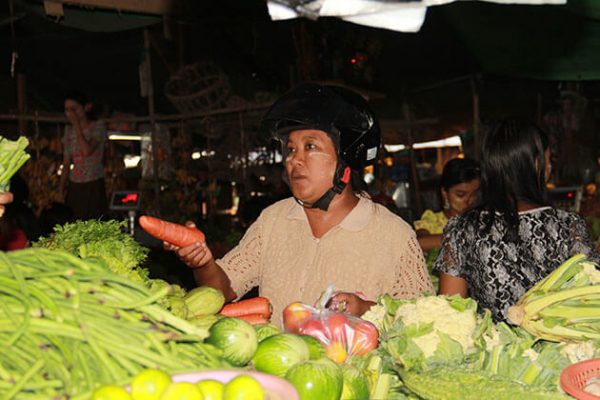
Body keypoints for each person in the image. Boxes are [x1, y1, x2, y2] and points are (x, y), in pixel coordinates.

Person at [166, 84, 433, 325]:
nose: (296, 160)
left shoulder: (394, 236)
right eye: (291, 149)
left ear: (346, 162)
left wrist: (365, 309)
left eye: (311, 146)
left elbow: (422, 324)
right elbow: (222, 290)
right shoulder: (273, 221)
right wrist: (203, 263)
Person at [434, 117, 600, 323]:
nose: (550, 167)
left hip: (494, 352)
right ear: (537, 163)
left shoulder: (461, 228)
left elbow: (449, 311)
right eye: (548, 159)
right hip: (561, 352)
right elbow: (591, 299)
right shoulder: (569, 226)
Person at [414, 157, 480, 252]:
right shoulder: (432, 220)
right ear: (445, 193)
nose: (468, 200)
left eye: (474, 194)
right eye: (460, 195)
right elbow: (419, 243)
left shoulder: (480, 219)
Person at [60, 91, 107, 220]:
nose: (70, 114)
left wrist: (77, 127)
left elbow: (87, 151)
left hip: (93, 183)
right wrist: (61, 188)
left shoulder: (98, 127)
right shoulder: (68, 131)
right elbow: (66, 162)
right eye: (67, 110)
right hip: (75, 184)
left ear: (86, 107)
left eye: (74, 109)